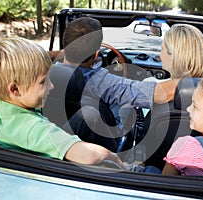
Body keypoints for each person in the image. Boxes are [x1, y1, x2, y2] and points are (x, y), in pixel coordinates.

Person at [0, 36, 125, 168]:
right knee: (99, 114)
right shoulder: (30, 127)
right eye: (43, 82)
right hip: (55, 169)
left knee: (90, 114)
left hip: (35, 159)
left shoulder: (2, 108)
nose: (52, 86)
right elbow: (88, 155)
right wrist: (116, 159)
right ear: (15, 89)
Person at [45, 17, 178, 153]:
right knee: (128, 104)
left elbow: (30, 53)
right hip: (102, 145)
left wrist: (63, 53)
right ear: (97, 54)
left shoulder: (40, 71)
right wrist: (195, 76)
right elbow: (159, 94)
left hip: (59, 135)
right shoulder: (100, 81)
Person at [142, 23, 203, 171]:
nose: (159, 55)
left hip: (153, 170)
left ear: (175, 56)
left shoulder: (151, 86)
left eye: (162, 50)